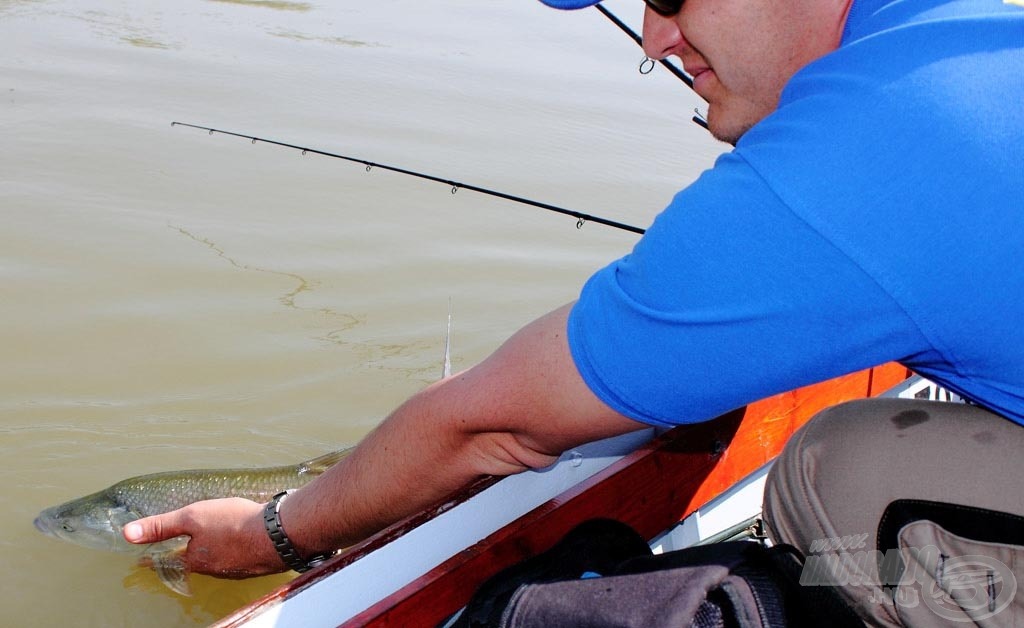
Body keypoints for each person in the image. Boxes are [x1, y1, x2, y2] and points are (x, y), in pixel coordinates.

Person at [126, 0, 1024, 624]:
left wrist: (270, 533)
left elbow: (493, 426)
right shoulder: (961, 35)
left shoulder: (857, 158)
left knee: (844, 469)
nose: (656, 38)